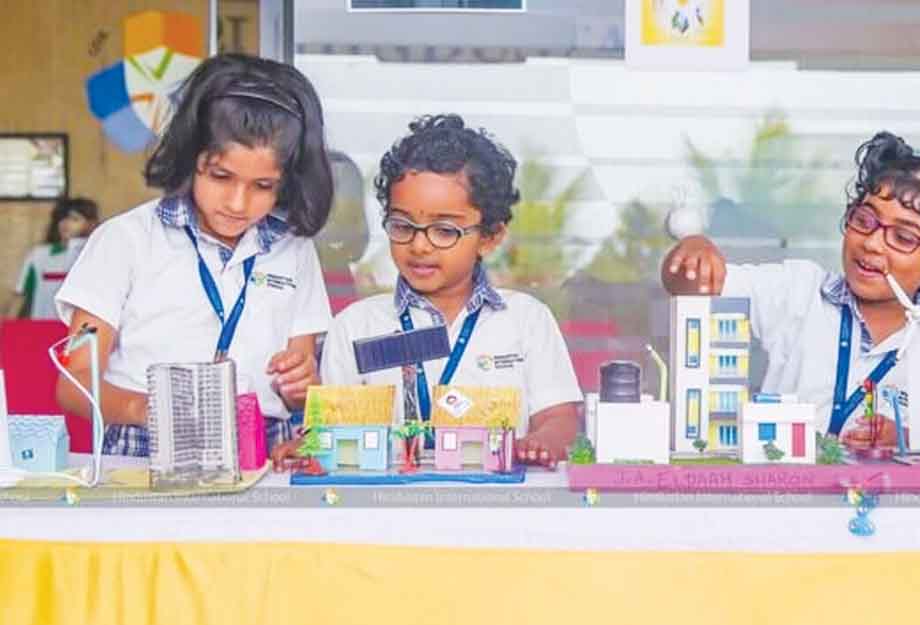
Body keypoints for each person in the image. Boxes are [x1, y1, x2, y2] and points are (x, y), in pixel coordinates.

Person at [54, 53, 334, 455]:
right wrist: (146, 409)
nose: (238, 203)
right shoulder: (124, 240)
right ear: (190, 157)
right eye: (221, 176)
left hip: (262, 451)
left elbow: (300, 389)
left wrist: (301, 386)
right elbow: (75, 379)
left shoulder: (293, 250)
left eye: (263, 186)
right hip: (146, 446)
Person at [662, 132, 920, 446]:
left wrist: (906, 437)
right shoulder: (798, 291)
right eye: (864, 220)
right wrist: (693, 249)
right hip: (783, 489)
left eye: (903, 237)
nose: (872, 243)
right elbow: (696, 284)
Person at [319, 114, 582, 466]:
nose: (419, 246)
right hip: (388, 498)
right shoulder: (354, 326)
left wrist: (541, 442)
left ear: (490, 237)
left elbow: (560, 419)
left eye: (444, 231)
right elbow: (329, 434)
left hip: (497, 495)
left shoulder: (527, 320)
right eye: (403, 226)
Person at [8, 197, 99, 319]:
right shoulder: (39, 255)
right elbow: (20, 296)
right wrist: (7, 325)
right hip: (43, 325)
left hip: (82, 328)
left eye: (75, 219)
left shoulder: (96, 255)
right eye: (62, 218)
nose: (66, 223)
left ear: (91, 223)